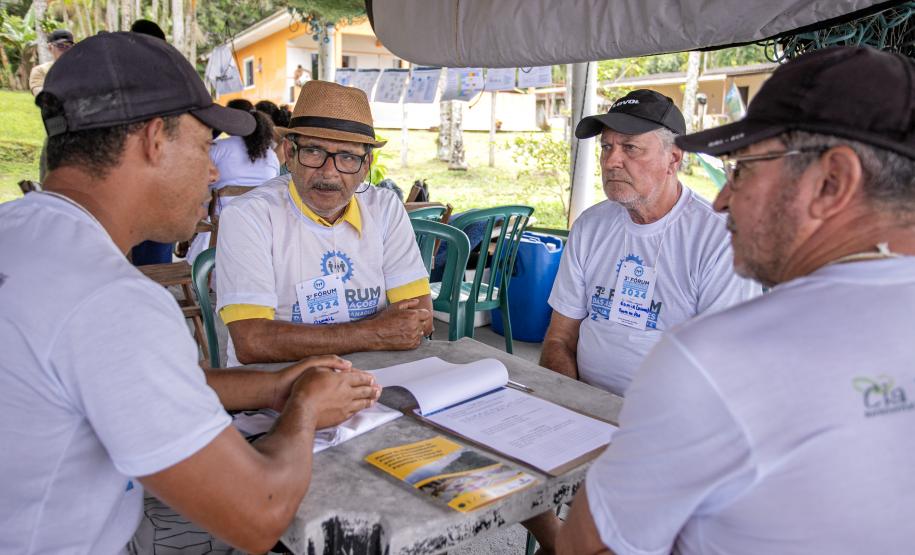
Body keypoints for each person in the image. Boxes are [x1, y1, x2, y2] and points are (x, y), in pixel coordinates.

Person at [0, 32, 380, 554]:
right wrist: (307, 409)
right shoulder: (113, 301)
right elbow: (259, 513)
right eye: (204, 146)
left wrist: (271, 389)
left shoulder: (20, 229)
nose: (213, 170)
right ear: (155, 139)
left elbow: (137, 377)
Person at [556, 46, 915, 555]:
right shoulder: (596, 227)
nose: (723, 199)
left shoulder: (720, 359)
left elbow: (586, 549)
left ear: (831, 182)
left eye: (743, 170)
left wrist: (539, 517)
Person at [541, 89, 758, 397]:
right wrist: (571, 403)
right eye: (606, 147)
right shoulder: (590, 227)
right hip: (584, 405)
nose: (611, 161)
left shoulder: (720, 238)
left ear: (673, 158)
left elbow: (724, 369)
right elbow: (559, 338)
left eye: (630, 147)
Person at [216, 79, 433, 367]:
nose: (329, 172)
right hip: (277, 388)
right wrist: (374, 332)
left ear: (365, 165)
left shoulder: (384, 208)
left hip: (375, 377)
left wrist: (305, 338)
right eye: (314, 152)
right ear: (290, 155)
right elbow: (252, 342)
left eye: (347, 157)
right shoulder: (249, 216)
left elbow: (421, 317)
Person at [185, 98, 280, 265]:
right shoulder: (270, 155)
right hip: (261, 227)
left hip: (219, 231)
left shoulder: (219, 147)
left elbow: (195, 179)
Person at [29, 29, 74, 96]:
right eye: (60, 46)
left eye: (69, 46)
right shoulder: (40, 71)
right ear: (50, 47)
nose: (66, 50)